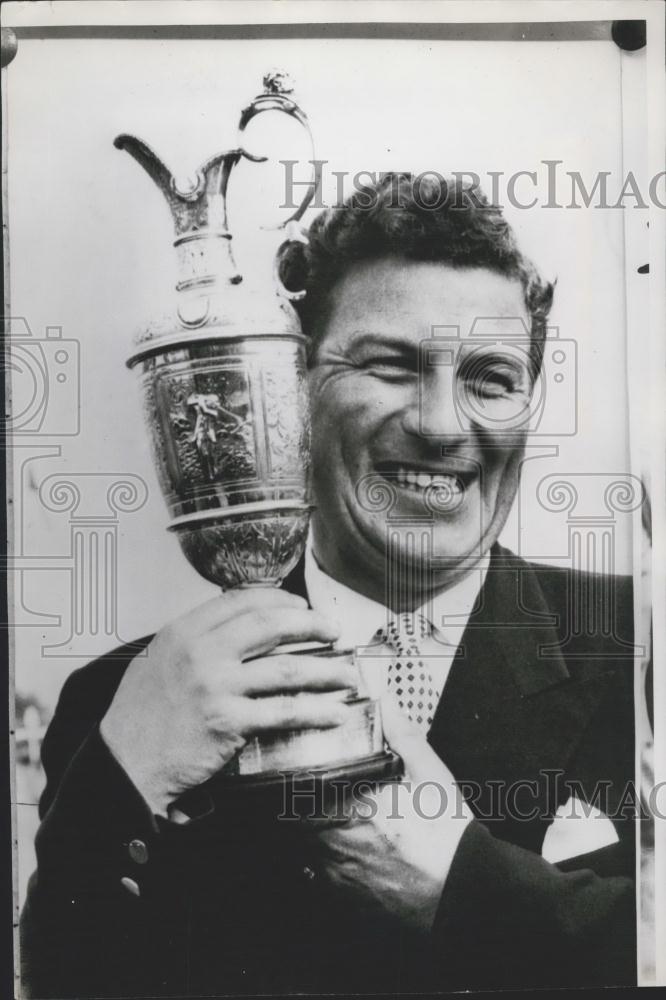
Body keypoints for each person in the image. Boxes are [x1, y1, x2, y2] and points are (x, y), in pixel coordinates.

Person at [20, 174, 636, 997]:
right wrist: (123, 778)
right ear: (295, 386)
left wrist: (467, 893)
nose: (445, 424)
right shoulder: (124, 699)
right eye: (390, 366)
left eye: (492, 377)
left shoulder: (643, 646)